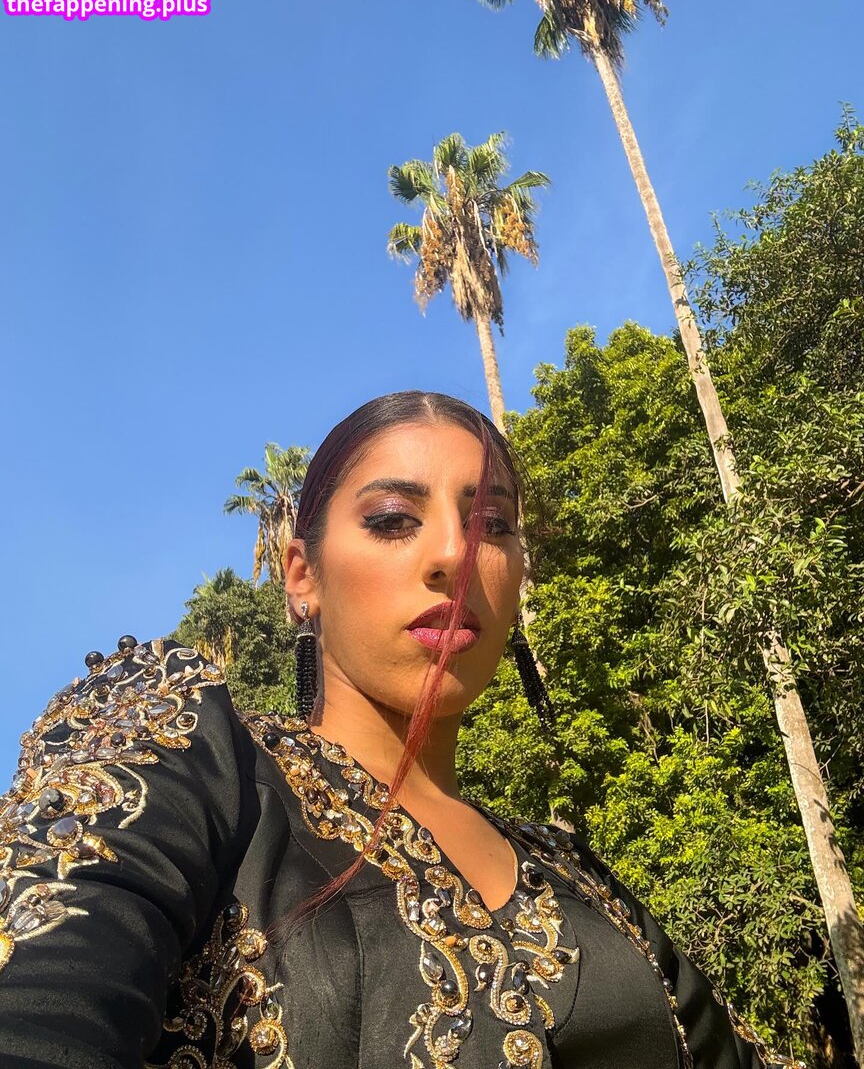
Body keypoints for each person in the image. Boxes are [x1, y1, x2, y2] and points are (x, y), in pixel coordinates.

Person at [0, 391, 804, 1069]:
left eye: (494, 524)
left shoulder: (580, 876)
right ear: (302, 576)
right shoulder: (187, 750)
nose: (456, 553)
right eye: (392, 519)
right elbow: (43, 1003)